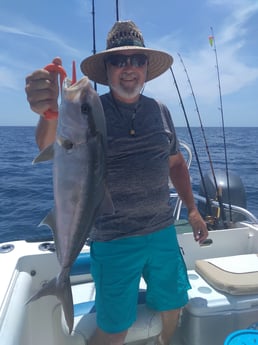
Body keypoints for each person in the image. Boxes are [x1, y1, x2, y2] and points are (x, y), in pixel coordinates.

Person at [25, 20, 208, 345]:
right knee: (114, 327)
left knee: (173, 307)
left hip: (163, 231)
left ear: (146, 69)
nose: (128, 67)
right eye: (118, 60)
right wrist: (49, 112)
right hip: (113, 240)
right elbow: (48, 143)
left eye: (136, 60)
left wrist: (192, 210)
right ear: (106, 69)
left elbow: (176, 164)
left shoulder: (160, 111)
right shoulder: (91, 108)